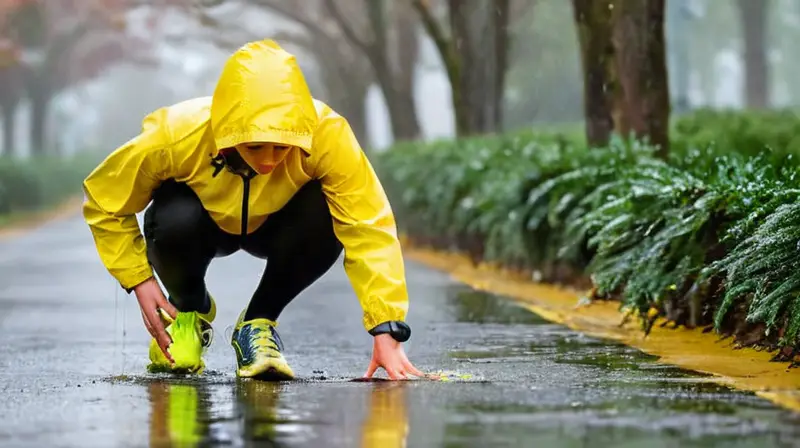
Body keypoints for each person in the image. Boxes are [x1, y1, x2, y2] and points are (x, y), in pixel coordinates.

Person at [81, 39, 424, 381]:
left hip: (283, 228)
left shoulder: (327, 135)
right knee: (172, 216)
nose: (268, 160)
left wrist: (386, 327)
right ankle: (187, 313)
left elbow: (367, 223)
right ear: (227, 130)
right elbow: (104, 201)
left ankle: (257, 323)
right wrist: (139, 279)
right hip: (198, 225)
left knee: (329, 210)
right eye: (255, 145)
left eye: (282, 147)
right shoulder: (176, 135)